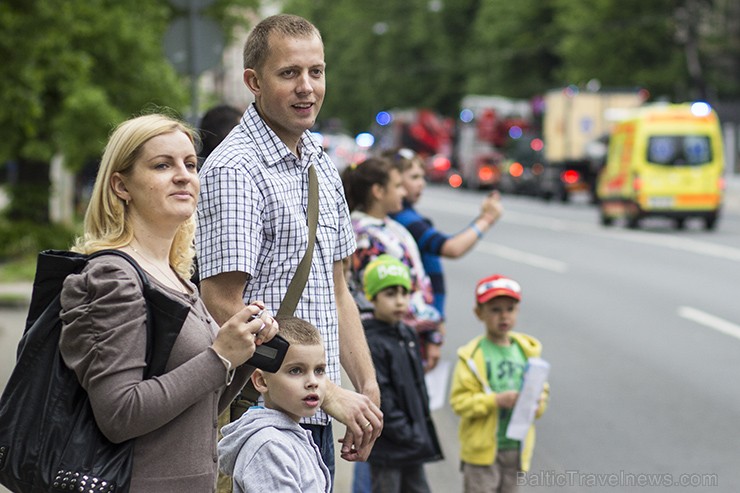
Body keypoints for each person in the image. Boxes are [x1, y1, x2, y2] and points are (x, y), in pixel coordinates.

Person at [196, 13, 383, 480]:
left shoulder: (319, 162)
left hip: (315, 414)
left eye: (315, 72)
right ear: (253, 82)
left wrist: (366, 386)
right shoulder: (236, 169)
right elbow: (221, 301)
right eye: (289, 73)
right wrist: (329, 391)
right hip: (260, 413)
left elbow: (339, 289)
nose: (307, 87)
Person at [59, 113, 279, 492]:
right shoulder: (113, 277)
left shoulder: (177, 276)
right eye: (163, 165)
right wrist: (219, 356)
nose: (183, 175)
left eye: (190, 163)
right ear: (121, 185)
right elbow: (120, 414)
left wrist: (244, 354)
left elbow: (200, 407)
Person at [341, 157, 444, 370]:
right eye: (397, 186)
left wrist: (431, 331)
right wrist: (429, 329)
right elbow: (382, 298)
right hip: (384, 340)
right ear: (378, 191)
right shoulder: (365, 237)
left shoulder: (391, 228)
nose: (403, 193)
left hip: (406, 335)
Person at [449, 274, 549, 493]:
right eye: (495, 310)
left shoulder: (528, 352)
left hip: (515, 448)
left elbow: (541, 393)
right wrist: (495, 400)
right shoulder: (472, 356)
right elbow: (459, 402)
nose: (504, 316)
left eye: (510, 309)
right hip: (482, 452)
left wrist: (537, 403)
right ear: (479, 313)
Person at [386, 147, 503, 319]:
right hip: (418, 318)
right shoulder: (403, 218)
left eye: (422, 176)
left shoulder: (407, 215)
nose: (422, 183)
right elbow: (452, 248)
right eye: (414, 177)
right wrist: (487, 218)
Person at [218, 316, 332, 493]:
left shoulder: (290, 437)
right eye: (296, 370)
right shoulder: (269, 445)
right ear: (262, 381)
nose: (312, 382)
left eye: (319, 370)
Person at [361, 255, 443, 493]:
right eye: (390, 294)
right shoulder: (371, 341)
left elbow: (417, 385)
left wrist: (416, 430)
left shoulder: (407, 333)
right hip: (390, 445)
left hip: (412, 441)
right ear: (372, 297)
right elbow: (382, 395)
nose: (399, 301)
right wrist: (407, 432)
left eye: (404, 293)